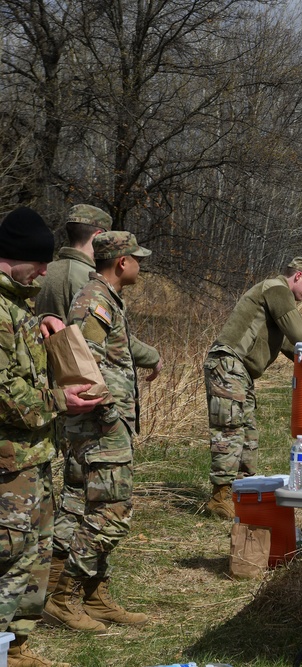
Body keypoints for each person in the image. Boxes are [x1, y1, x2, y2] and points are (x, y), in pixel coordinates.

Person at [35, 206, 162, 616]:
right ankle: (65, 595)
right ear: (122, 262)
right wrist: (107, 414)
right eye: (137, 261)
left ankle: (95, 595)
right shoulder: (94, 302)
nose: (140, 267)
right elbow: (83, 364)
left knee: (87, 505)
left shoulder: (107, 298)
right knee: (113, 510)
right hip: (101, 424)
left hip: (105, 420)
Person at [0, 206, 102, 667]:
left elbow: (24, 367)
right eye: (38, 262)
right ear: (10, 256)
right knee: (10, 554)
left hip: (33, 455)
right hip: (8, 463)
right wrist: (62, 402)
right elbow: (6, 394)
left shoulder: (19, 304)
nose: (46, 269)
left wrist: (43, 334)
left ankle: (16, 646)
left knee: (36, 554)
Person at [203, 257, 302, 519]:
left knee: (248, 432)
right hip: (228, 363)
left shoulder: (276, 296)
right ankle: (219, 496)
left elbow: (293, 347)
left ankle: (242, 491)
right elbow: (300, 336)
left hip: (240, 371)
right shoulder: (277, 290)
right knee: (230, 430)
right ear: (298, 276)